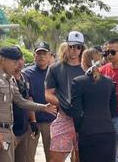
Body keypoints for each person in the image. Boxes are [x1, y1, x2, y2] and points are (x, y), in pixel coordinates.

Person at [0, 46, 56, 162]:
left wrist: (43, 108)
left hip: (9, 132)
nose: (16, 65)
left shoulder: (9, 79)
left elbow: (21, 101)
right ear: (3, 60)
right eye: (14, 62)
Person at [69, 48, 118, 162]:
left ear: (83, 62)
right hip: (108, 132)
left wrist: (78, 128)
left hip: (87, 132)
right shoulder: (109, 82)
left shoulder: (78, 82)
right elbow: (114, 110)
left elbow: (76, 111)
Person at [45, 31, 85, 162]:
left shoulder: (88, 69)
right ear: (66, 46)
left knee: (81, 158)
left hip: (85, 119)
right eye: (72, 46)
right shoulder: (55, 68)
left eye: (78, 47)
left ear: (82, 48)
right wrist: (63, 104)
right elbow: (48, 94)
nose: (74, 50)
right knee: (55, 159)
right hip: (63, 118)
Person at [24, 42, 56, 162]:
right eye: (39, 53)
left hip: (51, 121)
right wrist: (33, 121)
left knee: (52, 155)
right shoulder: (27, 73)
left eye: (44, 53)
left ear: (49, 55)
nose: (41, 56)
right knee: (29, 156)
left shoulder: (55, 72)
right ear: (34, 56)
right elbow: (27, 98)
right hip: (32, 121)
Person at [12, 55, 38, 162]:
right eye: (15, 59)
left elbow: (29, 99)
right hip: (10, 131)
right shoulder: (4, 78)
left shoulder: (25, 77)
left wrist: (33, 121)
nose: (18, 62)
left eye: (20, 59)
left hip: (24, 128)